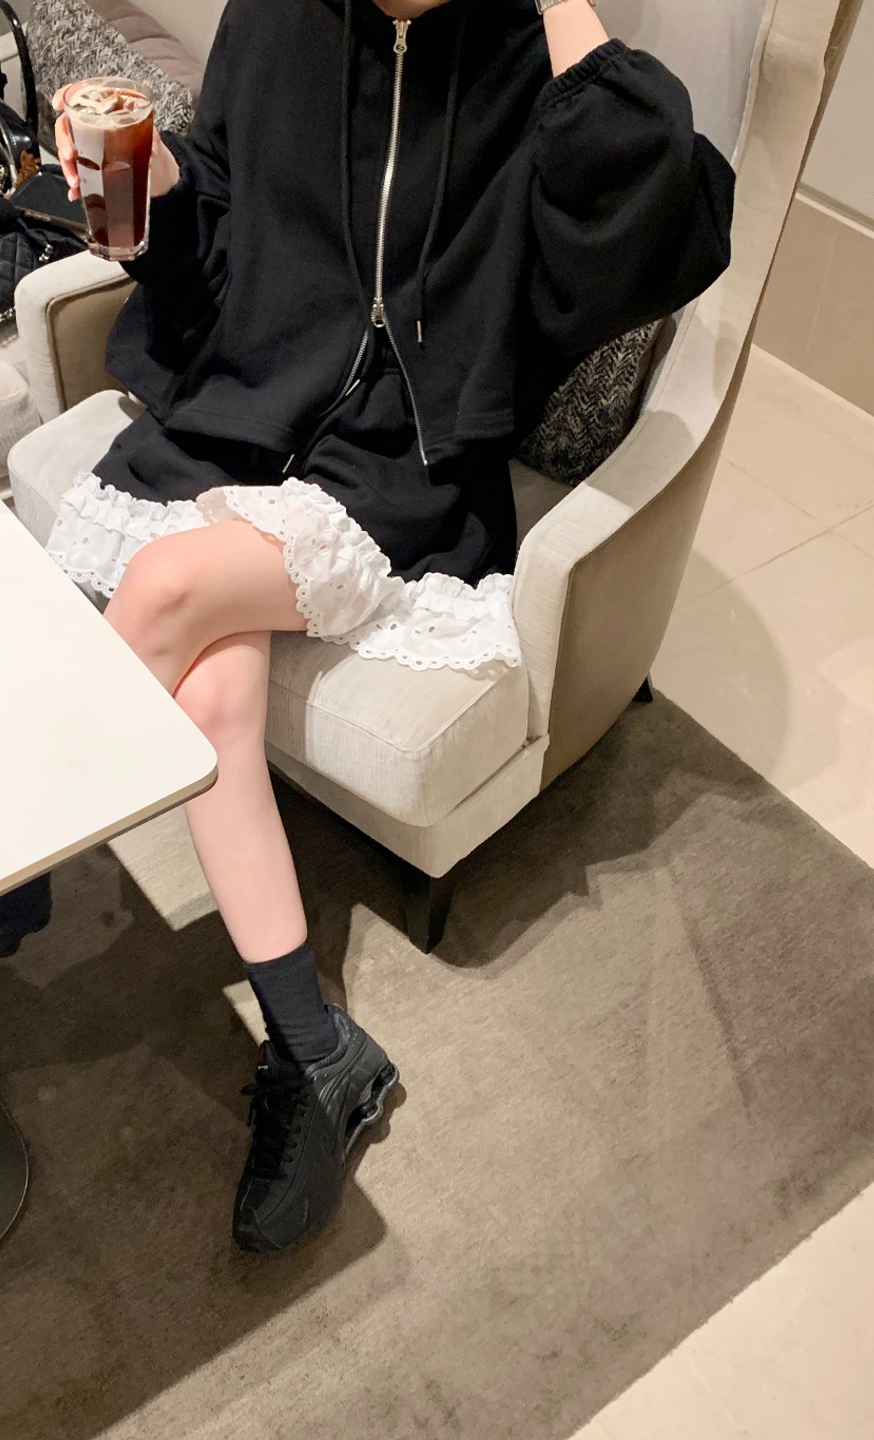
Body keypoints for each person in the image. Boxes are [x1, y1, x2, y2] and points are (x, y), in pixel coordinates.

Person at [50, 0, 735, 1253]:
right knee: (213, 698)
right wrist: (156, 199)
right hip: (249, 411)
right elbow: (219, 228)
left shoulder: (530, 58)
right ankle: (318, 1050)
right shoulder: (279, 17)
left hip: (402, 462)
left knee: (163, 592)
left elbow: (651, 223)